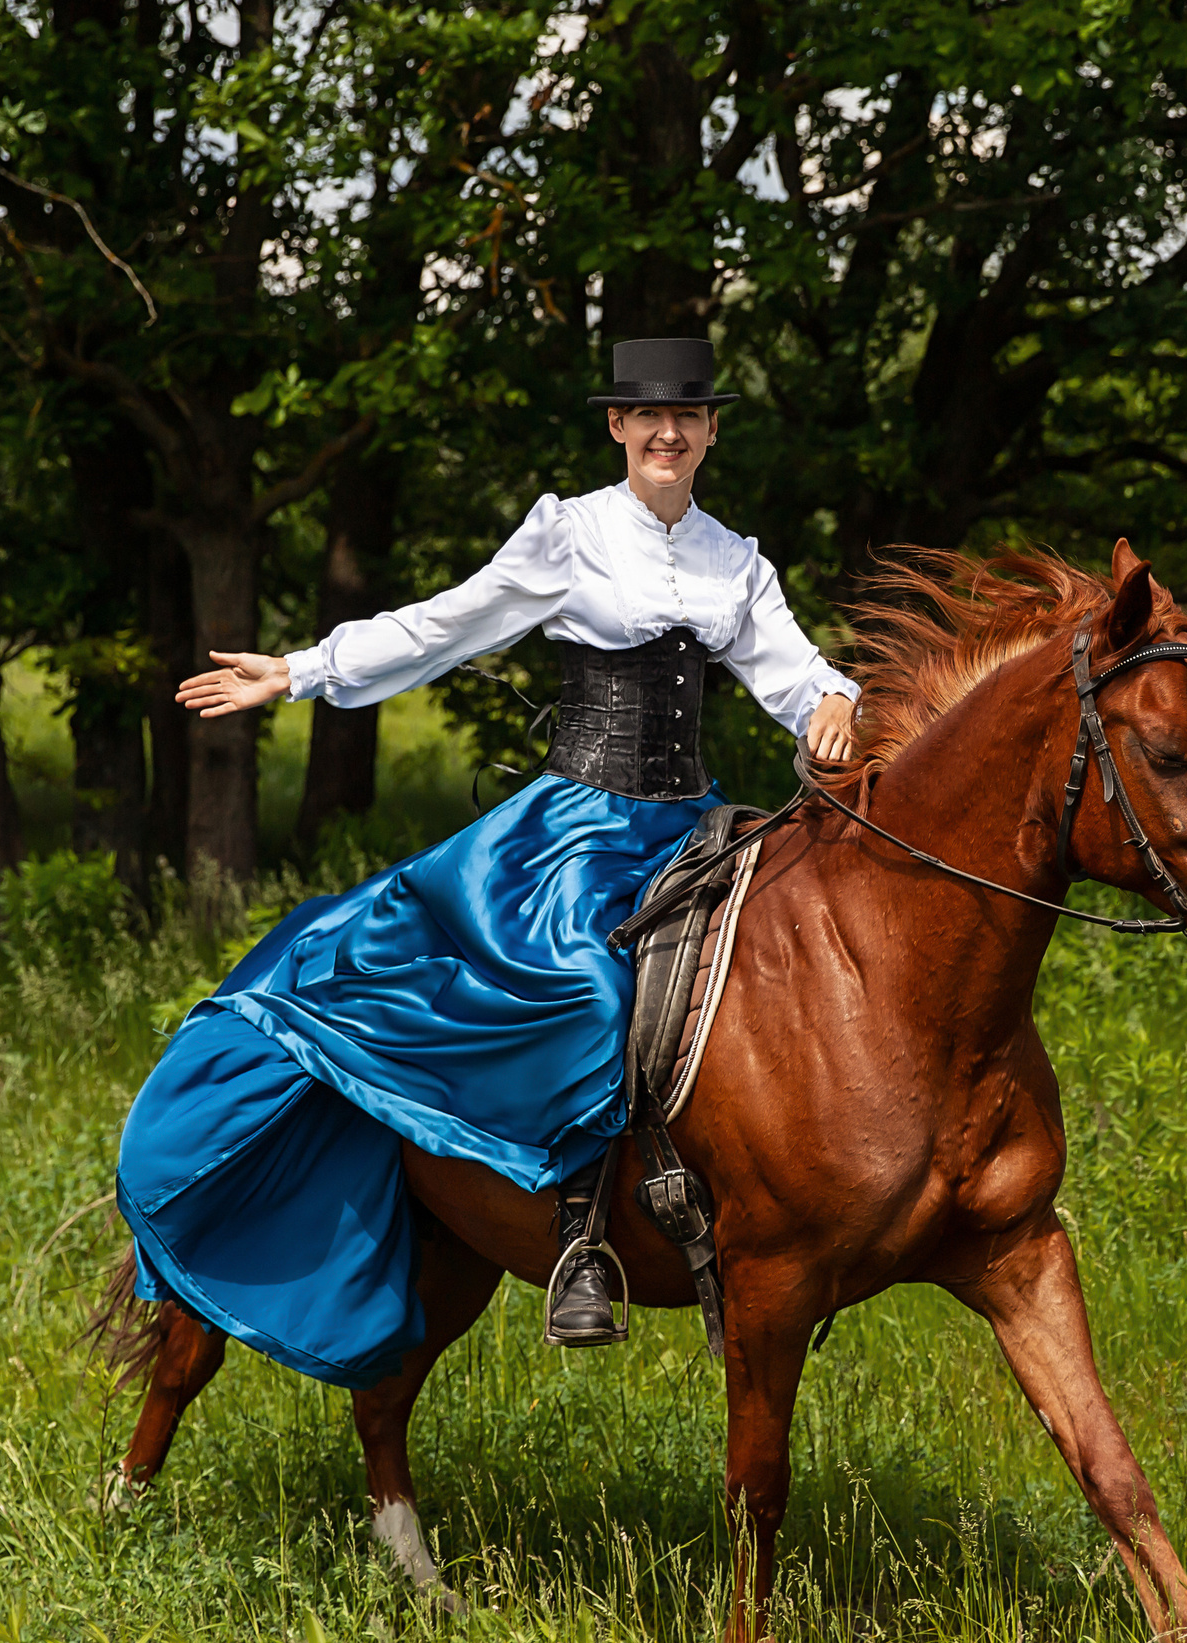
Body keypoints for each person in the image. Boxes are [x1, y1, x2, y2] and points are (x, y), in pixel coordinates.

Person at [118, 339, 858, 1377]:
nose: (667, 434)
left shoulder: (737, 559)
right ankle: (579, 1241)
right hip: (579, 829)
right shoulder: (571, 534)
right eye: (647, 418)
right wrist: (298, 671)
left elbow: (795, 677)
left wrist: (832, 704)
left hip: (690, 822)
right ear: (616, 427)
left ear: (711, 432)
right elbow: (444, 628)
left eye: (687, 418)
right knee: (590, 994)